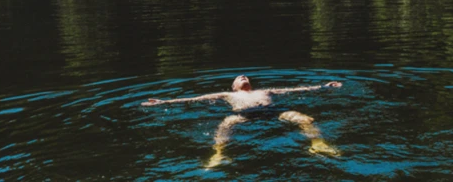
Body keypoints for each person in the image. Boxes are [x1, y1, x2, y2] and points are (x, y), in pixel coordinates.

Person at [142, 75, 343, 167]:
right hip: (243, 115)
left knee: (303, 118)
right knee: (225, 124)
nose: (243, 76)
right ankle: (218, 154)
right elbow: (194, 99)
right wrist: (164, 101)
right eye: (239, 77)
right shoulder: (225, 95)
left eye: (245, 76)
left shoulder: (264, 91)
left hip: (272, 111)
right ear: (233, 87)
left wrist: (323, 86)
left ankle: (317, 143)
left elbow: (296, 90)